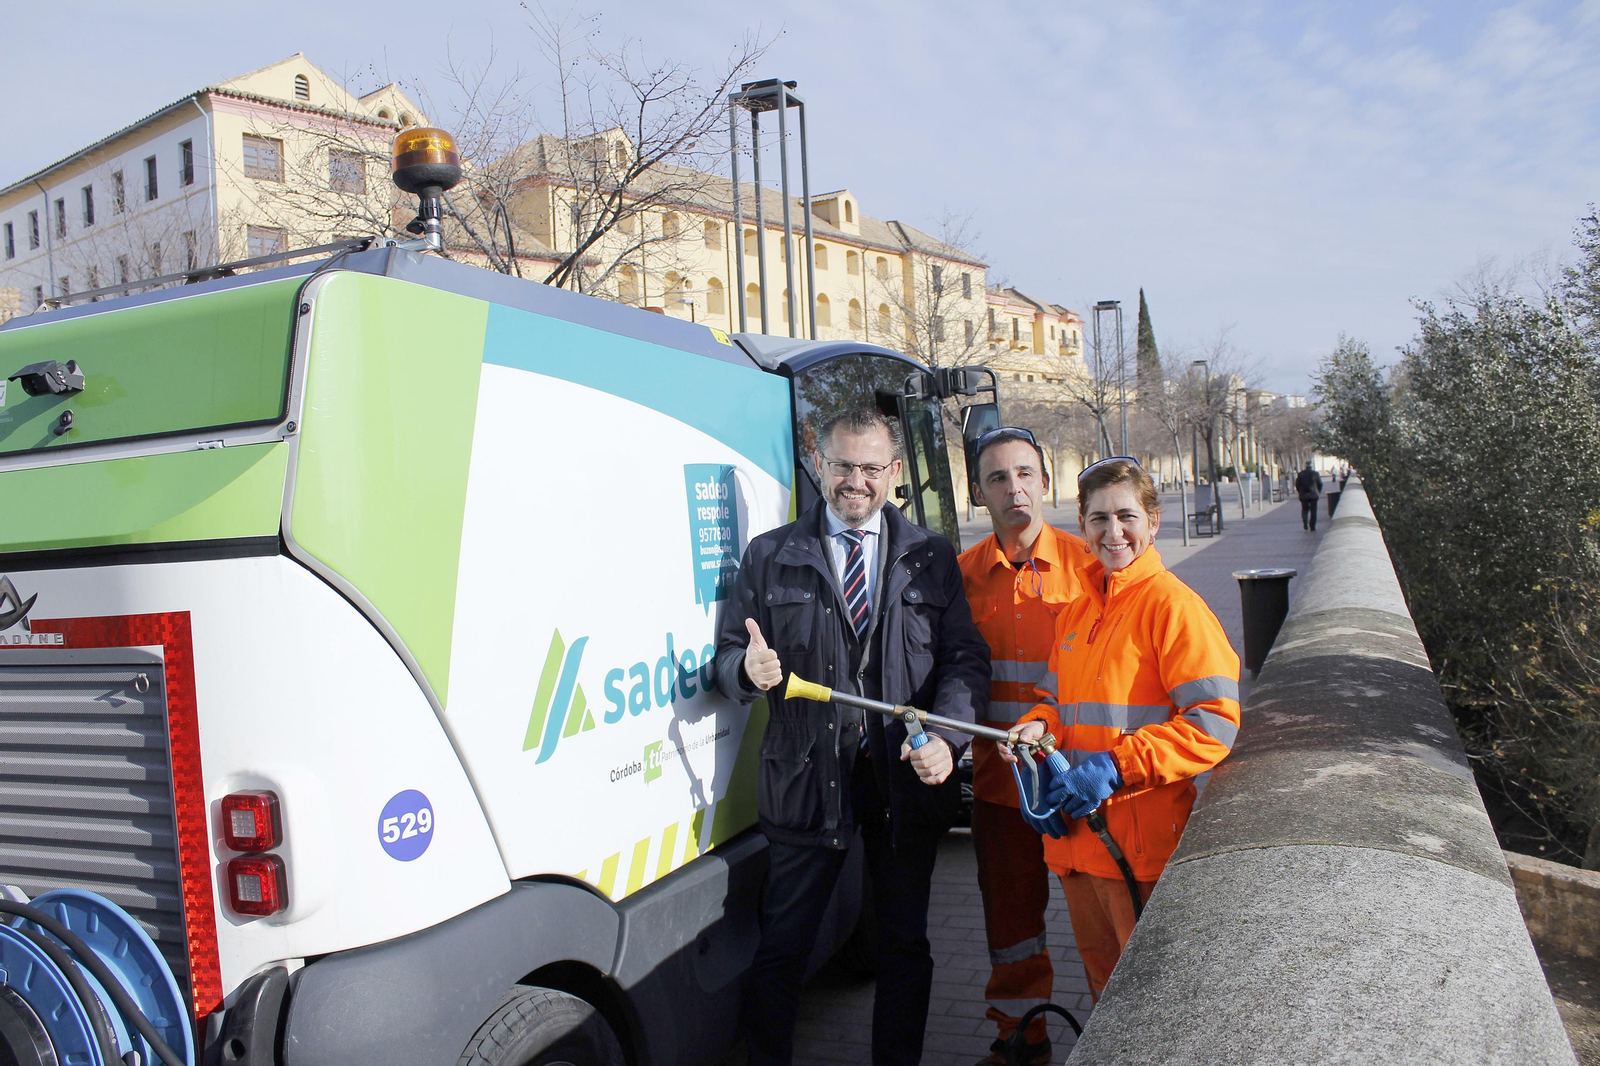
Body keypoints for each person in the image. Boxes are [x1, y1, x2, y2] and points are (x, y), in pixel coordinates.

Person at [714, 407, 989, 1066]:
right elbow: (728, 656)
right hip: (806, 783)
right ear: (819, 464)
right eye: (842, 465)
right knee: (783, 948)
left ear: (895, 472)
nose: (855, 482)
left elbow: (965, 660)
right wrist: (744, 671)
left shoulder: (930, 556)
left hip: (902, 785)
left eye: (871, 468)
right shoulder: (772, 555)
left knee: (903, 949)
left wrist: (947, 741)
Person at [1004, 457, 1240, 1001]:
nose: (1114, 533)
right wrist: (1034, 731)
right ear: (1081, 527)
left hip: (1137, 848)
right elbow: (1056, 702)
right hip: (1077, 844)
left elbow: (1214, 723)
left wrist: (1116, 766)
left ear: (1153, 522)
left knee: (1149, 1001)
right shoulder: (1079, 610)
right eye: (1098, 519)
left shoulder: (1175, 607)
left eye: (1127, 516)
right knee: (1104, 992)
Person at [956, 428, 1095, 1066]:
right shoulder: (962, 579)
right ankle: (1020, 1043)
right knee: (1011, 931)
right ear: (978, 493)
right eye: (997, 478)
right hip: (998, 789)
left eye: (1024, 474)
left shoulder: (1090, 567)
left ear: (1045, 481)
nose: (1014, 489)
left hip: (1078, 784)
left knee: (1106, 925)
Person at [1294, 461, 1323, 531]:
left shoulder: (1301, 474)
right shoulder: (1315, 474)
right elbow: (1320, 484)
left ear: (1305, 466)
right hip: (1313, 495)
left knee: (1305, 509)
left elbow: (1297, 484)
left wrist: (1300, 492)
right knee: (1314, 511)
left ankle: (1305, 521)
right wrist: (1318, 491)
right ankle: (1312, 526)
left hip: (1304, 495)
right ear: (1311, 466)